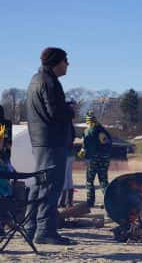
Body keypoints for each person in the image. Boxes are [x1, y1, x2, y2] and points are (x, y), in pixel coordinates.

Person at [25, 47, 74, 245]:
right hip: (52, 142)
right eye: (65, 60)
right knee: (50, 187)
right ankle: (45, 231)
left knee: (39, 185)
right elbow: (55, 113)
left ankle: (30, 228)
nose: (68, 64)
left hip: (40, 141)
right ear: (57, 62)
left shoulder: (35, 79)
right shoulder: (50, 82)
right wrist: (70, 110)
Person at [78, 110, 112, 207]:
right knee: (103, 181)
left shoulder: (87, 131)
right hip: (105, 159)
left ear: (88, 121)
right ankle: (109, 201)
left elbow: (84, 147)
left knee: (89, 181)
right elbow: (107, 143)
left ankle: (90, 201)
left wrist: (81, 154)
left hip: (93, 159)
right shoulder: (102, 130)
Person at [58, 100, 77, 208]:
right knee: (69, 178)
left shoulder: (64, 122)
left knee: (64, 178)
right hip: (70, 152)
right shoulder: (69, 122)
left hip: (65, 152)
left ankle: (63, 201)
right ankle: (69, 201)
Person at [0, 105, 13, 170]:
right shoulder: (7, 123)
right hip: (6, 156)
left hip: (3, 157)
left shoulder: (4, 125)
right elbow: (9, 144)